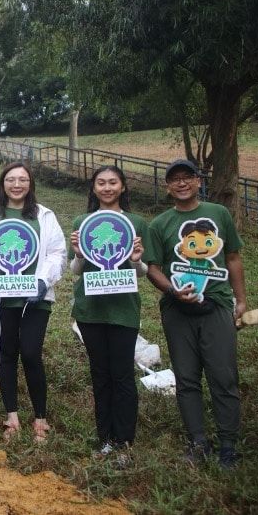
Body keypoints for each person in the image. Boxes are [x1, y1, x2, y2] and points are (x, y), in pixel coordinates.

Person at [143, 159, 246, 469]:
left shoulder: (219, 214)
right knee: (186, 377)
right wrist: (172, 291)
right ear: (167, 186)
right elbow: (153, 269)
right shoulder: (160, 224)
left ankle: (228, 443)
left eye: (188, 177)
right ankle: (197, 440)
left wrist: (240, 300)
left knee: (223, 375)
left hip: (216, 305)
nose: (182, 183)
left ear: (199, 181)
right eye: (174, 179)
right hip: (177, 310)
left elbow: (233, 258)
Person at [0, 162, 66, 443]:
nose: (16, 184)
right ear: (2, 185)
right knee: (7, 353)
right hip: (1, 298)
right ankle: (11, 416)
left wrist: (43, 281)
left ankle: (41, 418)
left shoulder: (45, 216)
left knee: (31, 353)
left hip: (35, 297)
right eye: (10, 179)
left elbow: (57, 253)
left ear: (30, 184)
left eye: (22, 179)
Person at [69, 166, 148, 464]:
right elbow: (76, 271)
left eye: (112, 182)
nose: (107, 188)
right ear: (93, 188)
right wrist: (78, 253)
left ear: (123, 187)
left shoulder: (137, 222)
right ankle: (105, 438)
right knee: (100, 374)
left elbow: (141, 273)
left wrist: (135, 260)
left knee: (123, 374)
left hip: (124, 310)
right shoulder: (82, 222)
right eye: (100, 183)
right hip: (90, 310)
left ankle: (124, 440)